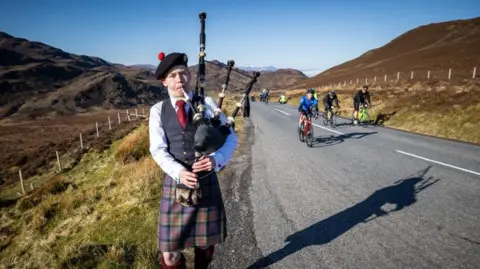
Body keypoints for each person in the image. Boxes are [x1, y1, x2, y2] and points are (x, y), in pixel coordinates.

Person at [149, 52, 238, 269]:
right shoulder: (158, 111)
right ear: (164, 81)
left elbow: (231, 137)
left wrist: (216, 159)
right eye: (173, 76)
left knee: (205, 246)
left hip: (206, 182)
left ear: (189, 76)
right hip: (176, 183)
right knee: (169, 254)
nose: (179, 79)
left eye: (183, 74)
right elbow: (158, 150)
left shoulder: (206, 103)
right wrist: (178, 171)